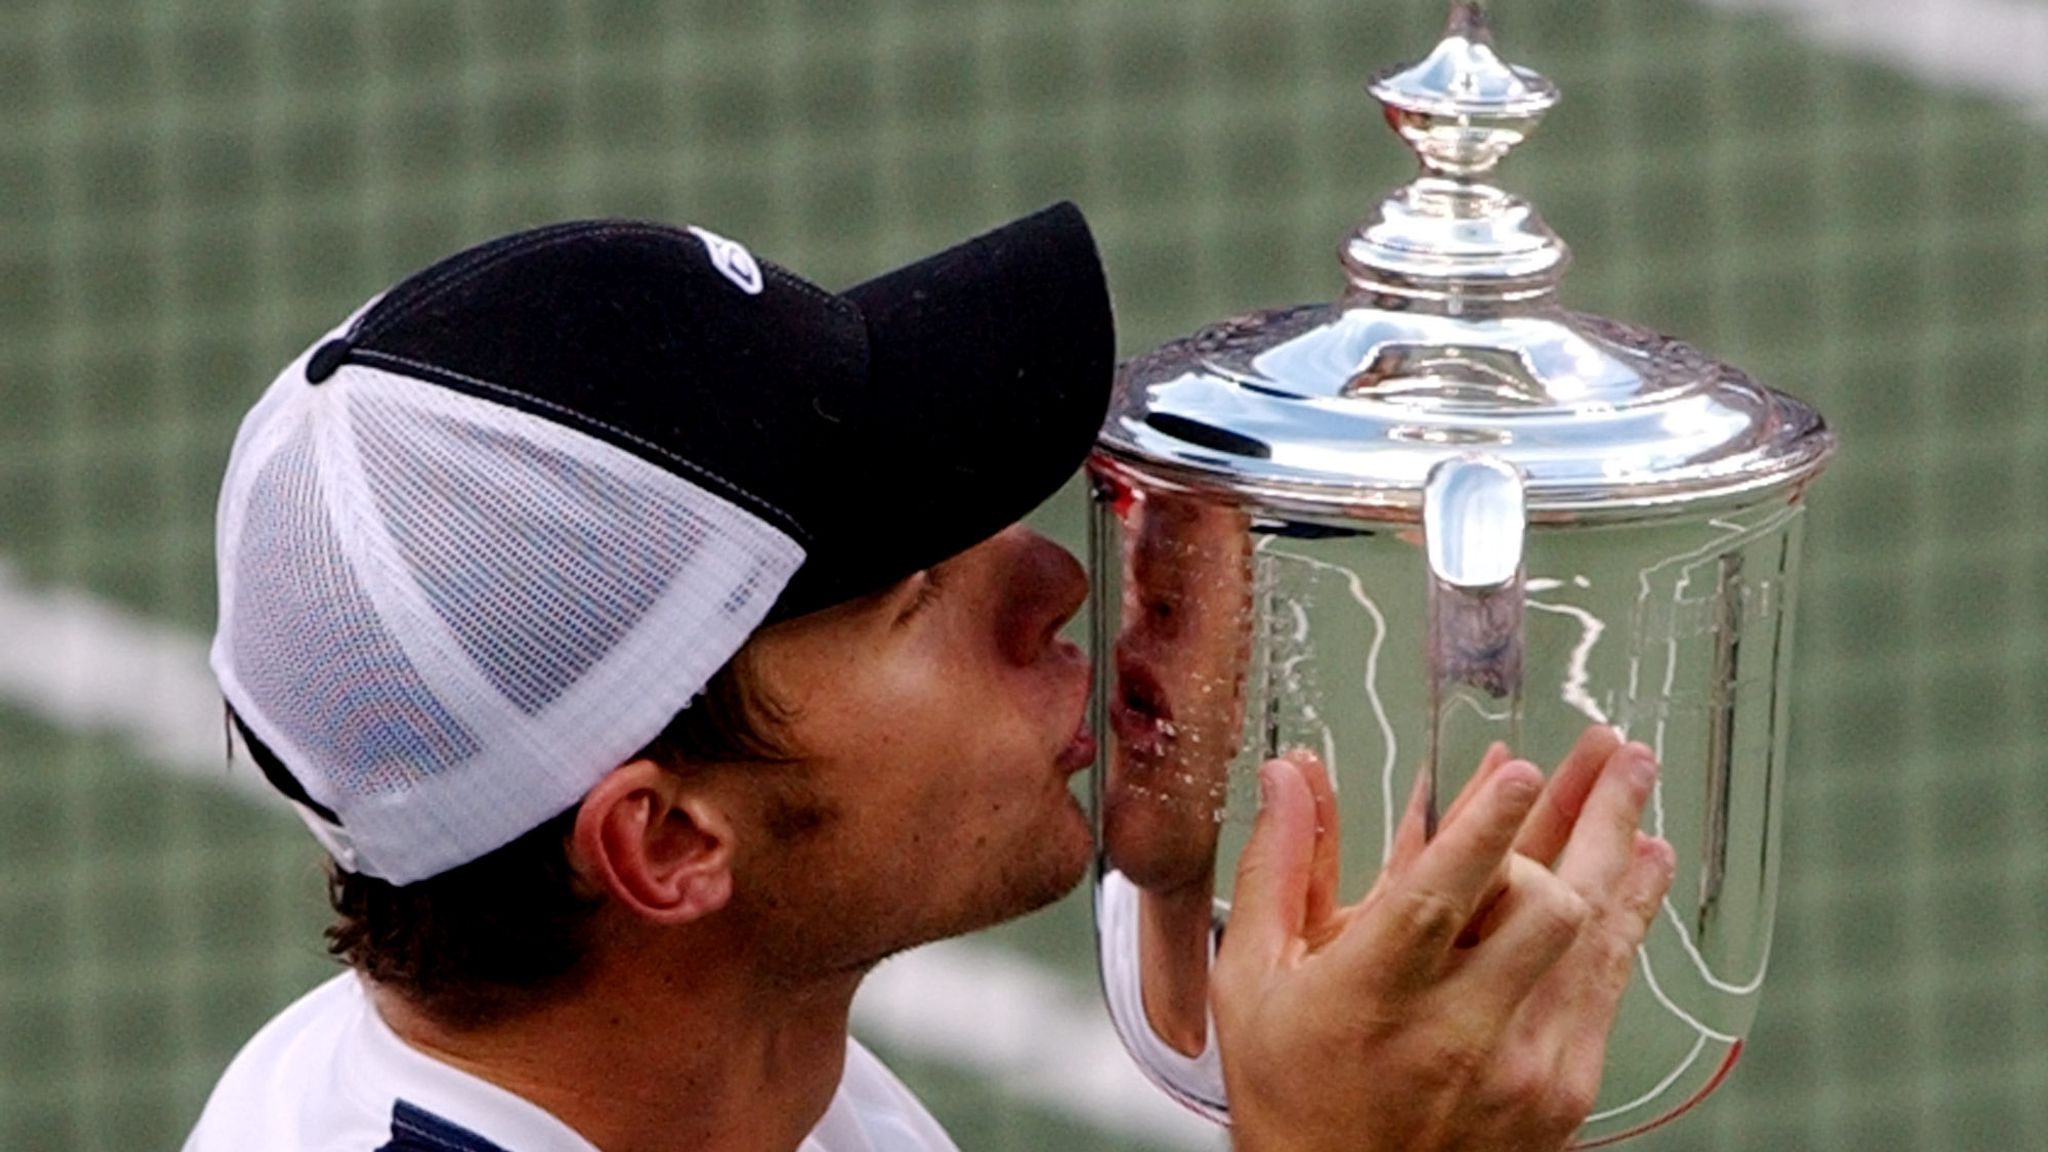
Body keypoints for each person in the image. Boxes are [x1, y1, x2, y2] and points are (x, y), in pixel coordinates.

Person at [184, 202, 1676, 1152]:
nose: (1052, 580)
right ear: (665, 841)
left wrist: (1181, 922)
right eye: (913, 592)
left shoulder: (724, 1103)